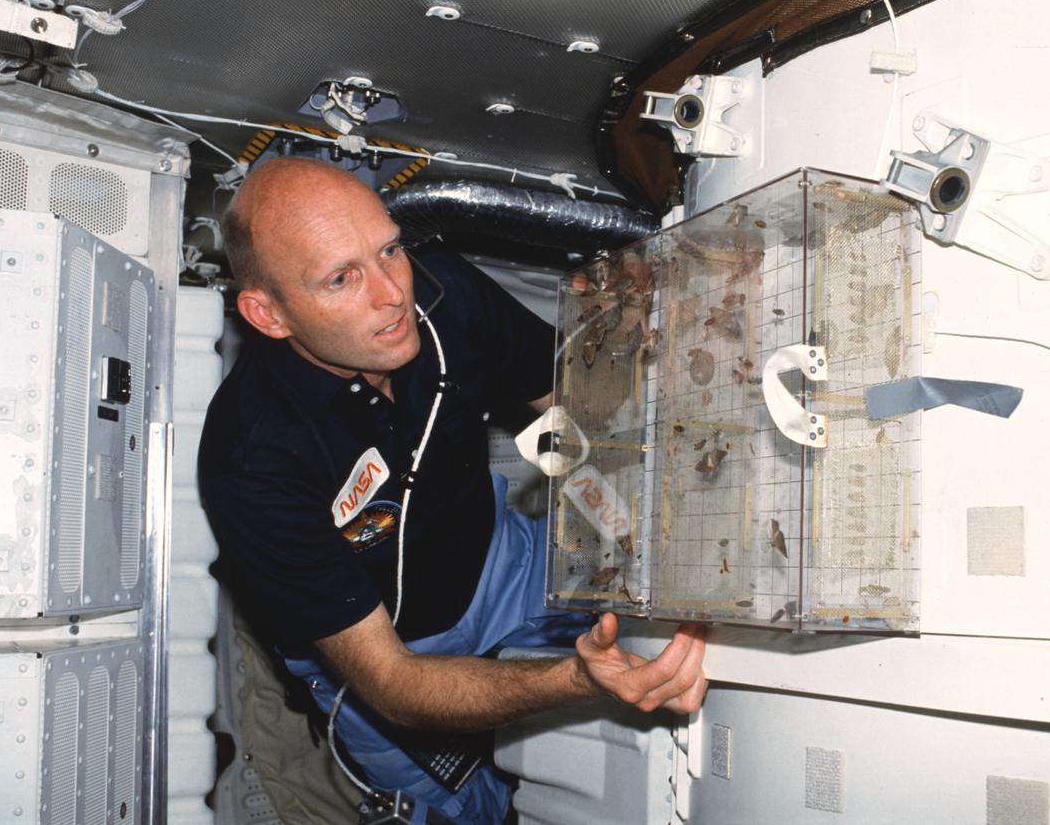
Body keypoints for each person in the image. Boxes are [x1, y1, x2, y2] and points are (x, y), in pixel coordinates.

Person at [198, 157, 707, 823]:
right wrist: (576, 680)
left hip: (503, 556)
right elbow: (393, 683)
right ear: (268, 314)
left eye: (389, 249)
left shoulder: (445, 296)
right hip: (391, 652)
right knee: (473, 810)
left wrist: (642, 346)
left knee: (666, 632)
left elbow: (577, 403)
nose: (392, 293)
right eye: (341, 278)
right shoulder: (252, 456)